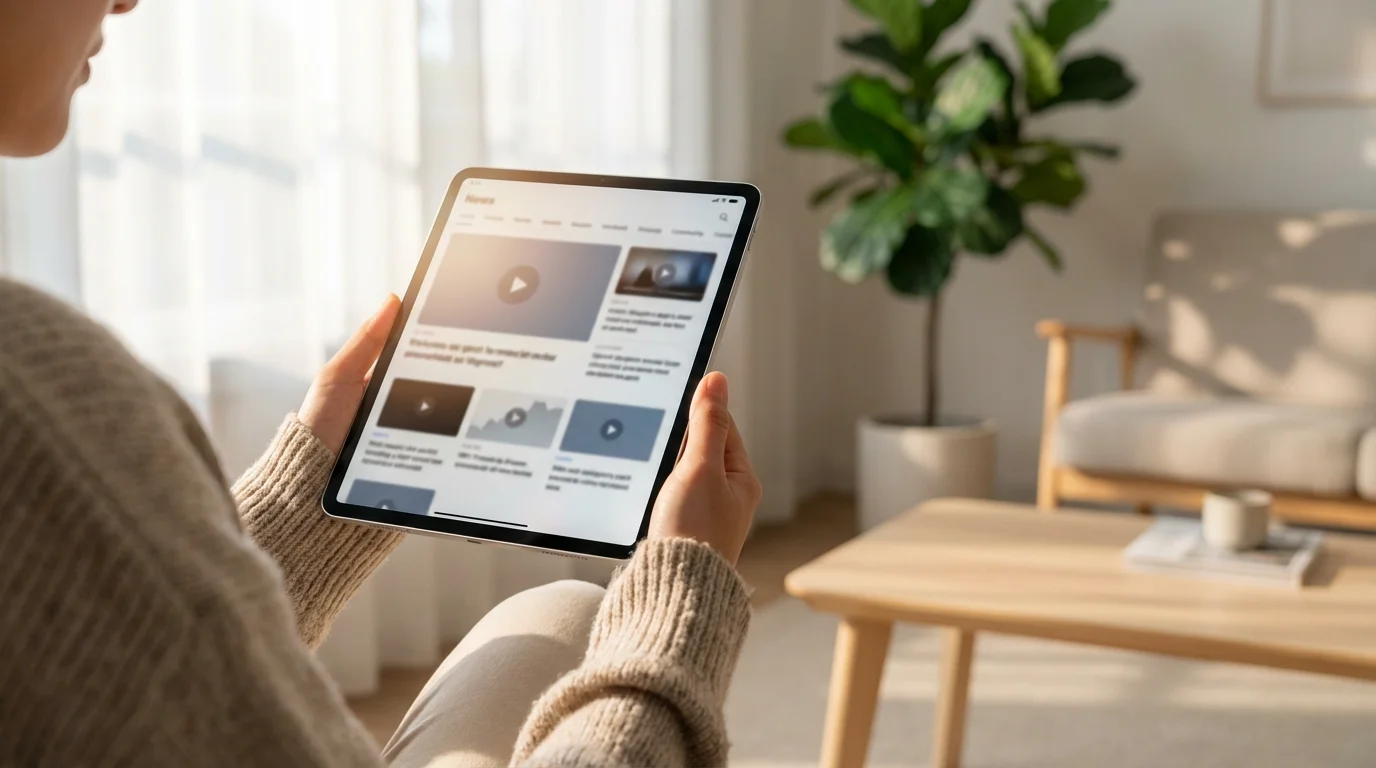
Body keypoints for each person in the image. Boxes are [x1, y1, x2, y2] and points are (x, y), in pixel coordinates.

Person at [0, 1, 762, 766]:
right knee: (593, 622)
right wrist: (683, 598)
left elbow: (134, 659)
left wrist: (314, 498)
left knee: (563, 612)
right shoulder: (35, 390)